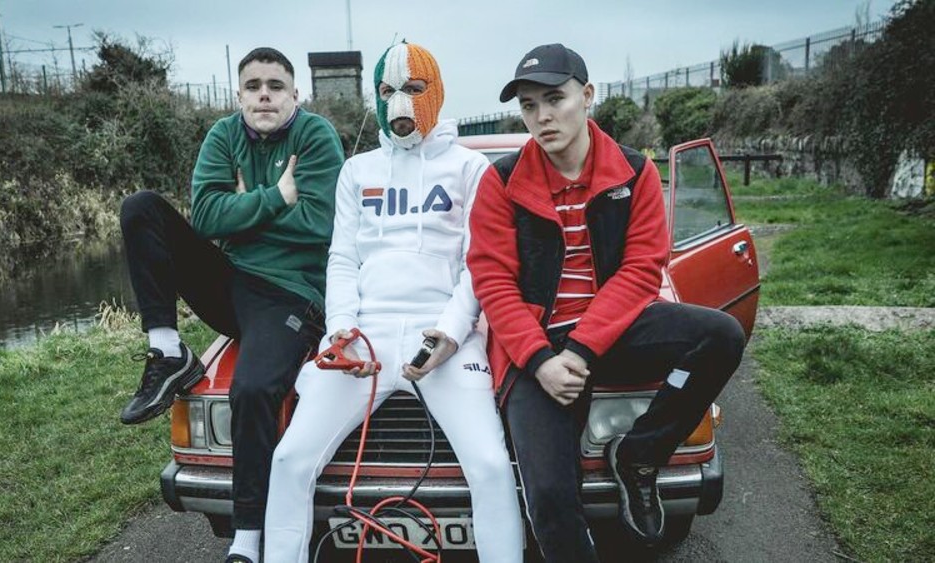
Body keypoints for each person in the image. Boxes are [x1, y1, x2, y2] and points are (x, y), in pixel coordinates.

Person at [467, 43, 746, 561]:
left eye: (555, 98)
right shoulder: (501, 180)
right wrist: (542, 360)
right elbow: (493, 280)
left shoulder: (634, 173)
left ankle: (640, 455)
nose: (543, 116)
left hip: (611, 331)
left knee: (721, 334)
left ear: (587, 95)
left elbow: (643, 271)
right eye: (529, 106)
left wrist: (582, 351)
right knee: (550, 498)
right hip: (536, 347)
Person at [263, 42, 524, 562]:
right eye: (387, 91)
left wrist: (451, 330)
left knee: (492, 469)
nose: (400, 102)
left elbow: (483, 262)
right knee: (290, 459)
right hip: (368, 339)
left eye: (413, 89)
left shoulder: (472, 169)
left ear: (436, 92)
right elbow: (342, 260)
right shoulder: (357, 172)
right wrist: (343, 330)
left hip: (446, 340)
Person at [116, 47, 344, 563]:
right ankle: (168, 350)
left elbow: (323, 223)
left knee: (254, 386)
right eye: (253, 86)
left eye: (276, 86)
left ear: (294, 95)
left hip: (290, 290)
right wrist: (276, 198)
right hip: (229, 281)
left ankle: (247, 535)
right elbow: (206, 217)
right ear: (239, 94)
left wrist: (241, 208)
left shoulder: (316, 137)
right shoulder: (223, 136)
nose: (264, 94)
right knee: (141, 209)